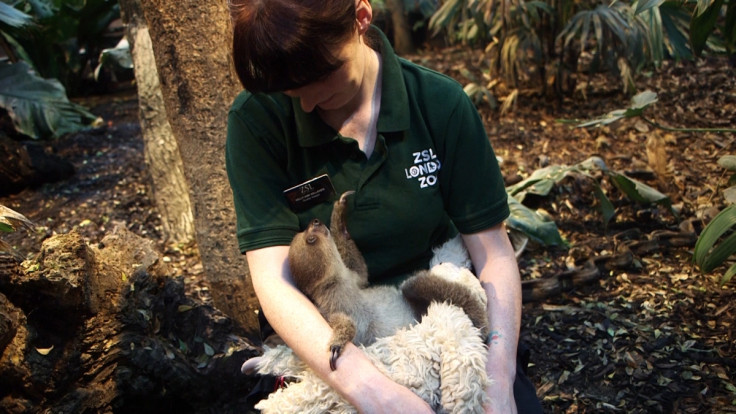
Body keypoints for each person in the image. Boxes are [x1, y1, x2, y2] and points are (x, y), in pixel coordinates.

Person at [225, 0, 542, 412]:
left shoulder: (439, 102)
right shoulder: (256, 121)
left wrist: (498, 380)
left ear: (361, 17)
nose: (307, 103)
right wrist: (375, 392)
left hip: (435, 316)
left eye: (322, 75)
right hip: (327, 334)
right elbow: (273, 280)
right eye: (290, 89)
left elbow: (493, 252)